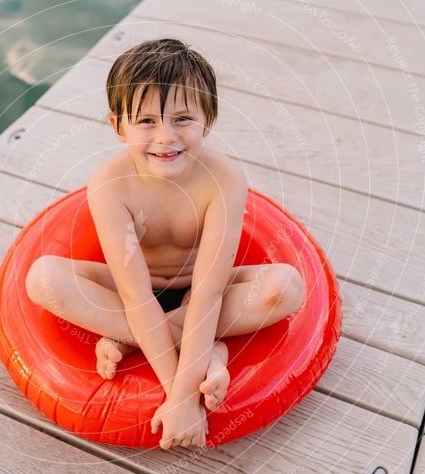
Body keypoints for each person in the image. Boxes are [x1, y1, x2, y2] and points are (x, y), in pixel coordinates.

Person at [26, 39, 304, 450]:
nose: (166, 136)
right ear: (118, 127)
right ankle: (210, 351)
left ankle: (130, 339)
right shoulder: (110, 184)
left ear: (208, 122)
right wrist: (184, 395)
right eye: (146, 121)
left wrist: (180, 399)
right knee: (42, 278)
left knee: (287, 287)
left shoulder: (223, 179)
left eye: (183, 118)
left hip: (203, 288)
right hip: (134, 289)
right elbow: (136, 295)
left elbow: (209, 292)